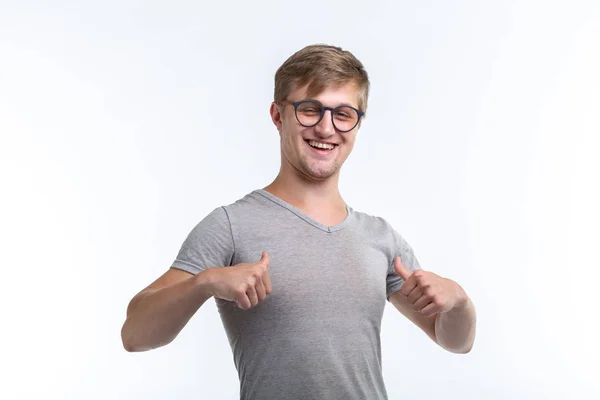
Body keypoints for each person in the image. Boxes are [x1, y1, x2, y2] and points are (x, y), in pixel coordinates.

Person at [121, 44, 477, 400]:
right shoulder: (230, 224)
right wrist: (204, 282)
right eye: (310, 110)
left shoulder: (381, 238)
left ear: (358, 123)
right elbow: (135, 335)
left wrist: (458, 302)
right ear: (278, 116)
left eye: (343, 114)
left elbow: (456, 341)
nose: (326, 128)